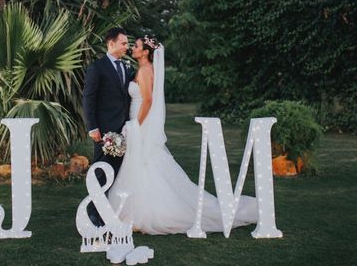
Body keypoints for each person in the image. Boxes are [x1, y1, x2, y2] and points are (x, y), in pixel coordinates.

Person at [108, 35, 257, 235]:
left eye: (136, 46)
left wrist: (136, 124)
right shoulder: (142, 70)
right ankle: (136, 211)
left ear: (145, 52)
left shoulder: (145, 71)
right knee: (143, 164)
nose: (132, 48)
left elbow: (148, 102)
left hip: (140, 123)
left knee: (143, 164)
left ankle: (147, 213)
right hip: (138, 121)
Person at [82, 27, 132, 226]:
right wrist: (92, 127)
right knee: (101, 170)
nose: (126, 47)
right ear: (111, 43)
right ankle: (93, 212)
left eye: (127, 44)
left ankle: (109, 209)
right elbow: (88, 98)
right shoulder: (97, 68)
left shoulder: (126, 68)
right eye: (123, 43)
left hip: (124, 129)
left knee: (118, 171)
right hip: (104, 131)